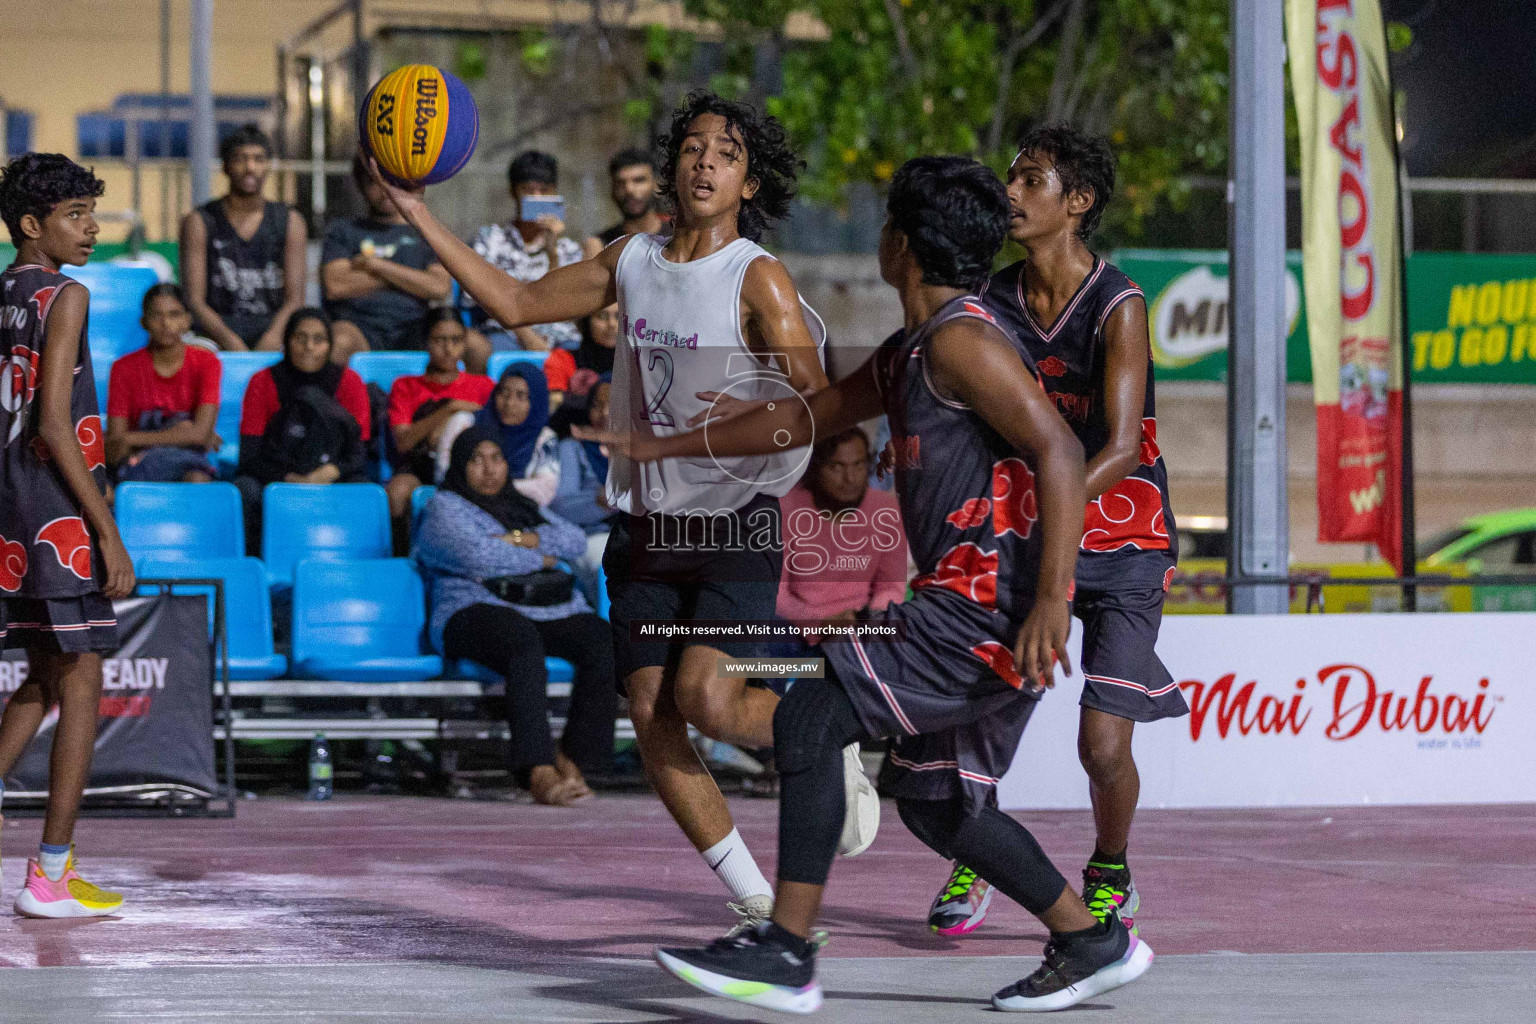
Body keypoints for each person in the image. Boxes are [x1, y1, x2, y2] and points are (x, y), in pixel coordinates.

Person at [587, 156, 1152, 1013]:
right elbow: (806, 415)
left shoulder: (962, 340)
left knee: (813, 712)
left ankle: (784, 949)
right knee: (932, 803)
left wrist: (1051, 599)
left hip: (986, 606)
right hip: (975, 604)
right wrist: (665, 446)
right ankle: (1088, 937)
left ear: (902, 247)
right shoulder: (912, 351)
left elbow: (1063, 451)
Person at [366, 90, 874, 938]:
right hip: (643, 526)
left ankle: (825, 732)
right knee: (650, 714)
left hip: (732, 523)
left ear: (749, 183)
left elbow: (818, 404)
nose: (707, 160)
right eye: (696, 147)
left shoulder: (759, 276)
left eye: (729, 153)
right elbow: (518, 305)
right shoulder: (632, 257)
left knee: (707, 700)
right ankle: (754, 895)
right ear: (673, 165)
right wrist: (418, 209)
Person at [938, 125, 1183, 940]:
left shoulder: (1119, 304)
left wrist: (1040, 504)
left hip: (1123, 534)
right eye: (1012, 175)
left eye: (1032, 179)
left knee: (1102, 748)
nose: (1012, 191)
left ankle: (1110, 869)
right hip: (1031, 532)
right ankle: (984, 850)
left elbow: (1117, 445)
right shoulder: (991, 300)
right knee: (975, 715)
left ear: (1076, 204)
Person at [0, 153, 135, 917]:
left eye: (93, 213)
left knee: (44, 672)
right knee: (81, 678)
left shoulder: (2, 295)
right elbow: (54, 421)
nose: (91, 229)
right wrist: (107, 532)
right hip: (54, 509)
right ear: (31, 225)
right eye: (76, 215)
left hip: (9, 510)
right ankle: (52, 872)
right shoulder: (65, 295)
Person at [415, 426, 616, 805]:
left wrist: (521, 539)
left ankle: (572, 760)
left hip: (545, 608)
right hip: (469, 609)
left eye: (496, 459)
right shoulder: (444, 507)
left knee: (600, 637)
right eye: (476, 460)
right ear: (460, 465)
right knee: (522, 641)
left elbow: (573, 540)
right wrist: (541, 556)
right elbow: (478, 557)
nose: (489, 469)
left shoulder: (523, 505)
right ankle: (536, 769)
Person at [233, 309, 372, 550]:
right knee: (245, 490)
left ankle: (352, 566)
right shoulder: (263, 381)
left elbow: (360, 452)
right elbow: (250, 455)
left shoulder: (349, 381)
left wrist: (328, 473)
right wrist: (292, 479)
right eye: (300, 338)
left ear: (329, 345)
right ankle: (256, 565)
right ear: (287, 342)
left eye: (318, 340)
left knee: (362, 490)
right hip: (277, 473)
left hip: (331, 473)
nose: (309, 346)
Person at [179, 124, 306, 352]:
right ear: (225, 166)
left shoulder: (290, 221)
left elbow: (295, 299)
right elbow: (194, 302)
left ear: (268, 166)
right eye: (240, 159)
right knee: (195, 354)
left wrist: (273, 337)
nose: (250, 167)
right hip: (214, 332)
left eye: (258, 159)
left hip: (273, 330)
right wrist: (230, 341)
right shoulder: (199, 221)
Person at [320, 153, 454, 365]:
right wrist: (410, 279)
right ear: (361, 185)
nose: (384, 190)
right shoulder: (343, 230)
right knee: (337, 341)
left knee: (469, 344)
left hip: (416, 328)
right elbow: (335, 285)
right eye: (375, 182)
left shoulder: (425, 232)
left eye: (393, 182)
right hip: (357, 327)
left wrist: (376, 266)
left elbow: (439, 287)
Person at [777, 427, 907, 633]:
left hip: (861, 622)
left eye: (858, 465)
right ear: (816, 468)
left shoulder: (886, 510)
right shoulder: (785, 508)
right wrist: (819, 624)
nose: (850, 479)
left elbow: (891, 587)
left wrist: (868, 622)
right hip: (796, 626)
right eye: (837, 467)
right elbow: (775, 594)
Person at [463, 151, 584, 356]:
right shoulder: (490, 240)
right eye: (528, 191)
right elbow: (478, 295)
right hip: (503, 333)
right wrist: (527, 337)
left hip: (559, 338)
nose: (536, 198)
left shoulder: (569, 249)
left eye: (544, 191)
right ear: (514, 192)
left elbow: (565, 303)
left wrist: (552, 253)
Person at [383, 309, 494, 523]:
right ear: (426, 341)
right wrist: (450, 409)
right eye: (439, 340)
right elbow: (403, 442)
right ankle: (402, 554)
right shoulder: (405, 386)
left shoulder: (482, 386)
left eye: (456, 340)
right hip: (417, 466)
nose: (449, 349)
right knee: (397, 493)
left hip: (469, 465)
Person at [105, 283, 221, 484]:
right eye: (156, 315)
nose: (166, 323)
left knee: (197, 480)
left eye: (174, 314)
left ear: (187, 320)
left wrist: (133, 439)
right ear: (144, 322)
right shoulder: (123, 368)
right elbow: (116, 439)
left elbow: (200, 434)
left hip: (188, 460)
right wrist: (181, 434)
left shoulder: (207, 363)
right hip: (137, 460)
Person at [551, 376, 616, 598]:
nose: (605, 413)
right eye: (597, 405)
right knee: (615, 567)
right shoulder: (573, 448)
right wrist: (600, 502)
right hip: (592, 536)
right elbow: (561, 509)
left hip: (642, 534)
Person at [583, 147, 669, 256]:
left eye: (638, 180)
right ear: (612, 190)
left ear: (656, 185)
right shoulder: (601, 246)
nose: (629, 189)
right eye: (620, 183)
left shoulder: (677, 237)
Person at [543, 302, 618, 404]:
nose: (612, 324)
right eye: (602, 316)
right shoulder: (563, 359)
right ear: (586, 322)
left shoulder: (638, 360)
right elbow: (554, 406)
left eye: (619, 316)